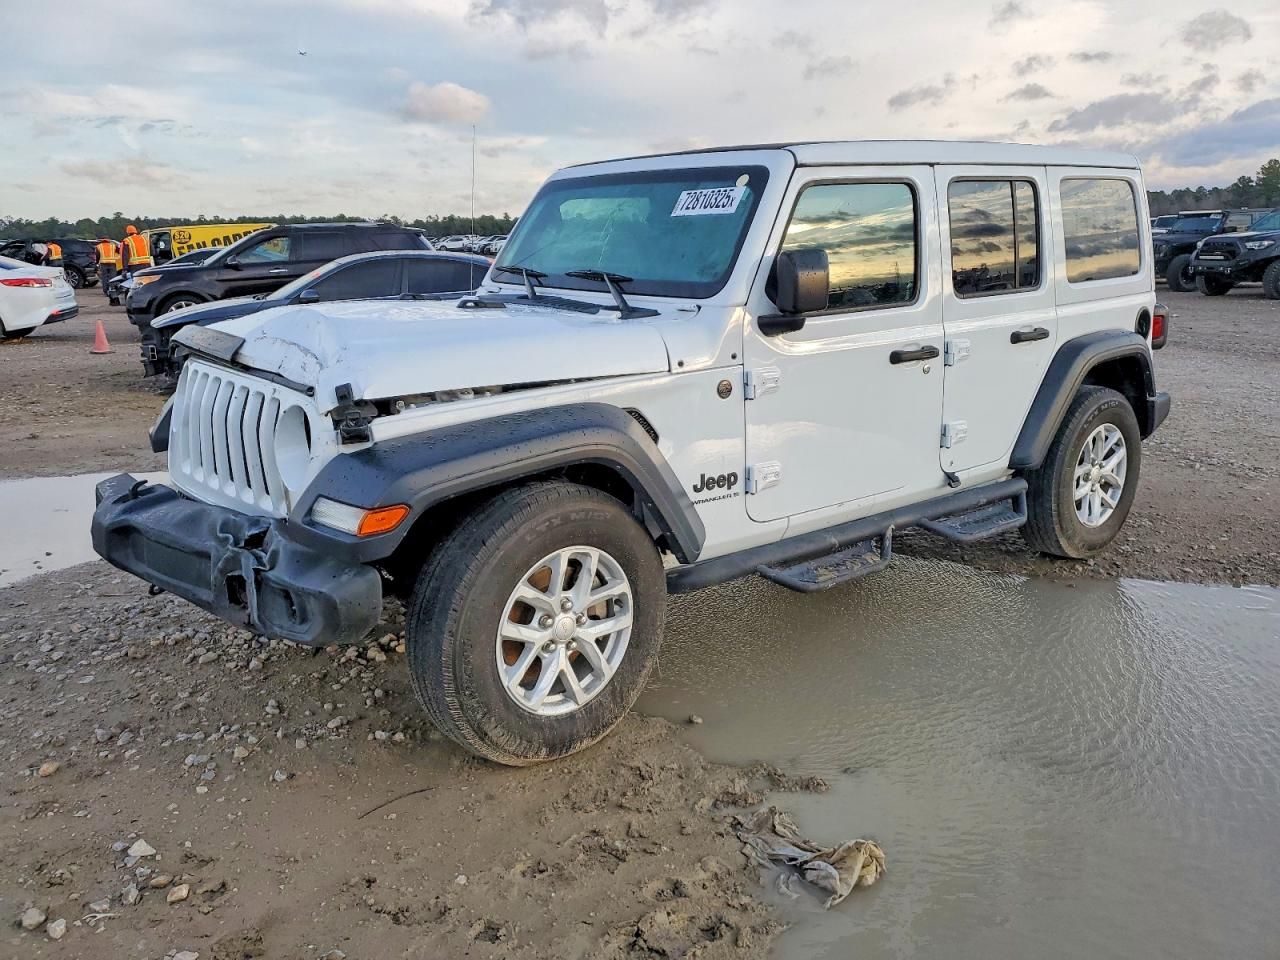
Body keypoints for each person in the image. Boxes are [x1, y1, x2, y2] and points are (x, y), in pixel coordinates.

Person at [97, 237, 123, 304]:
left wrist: (97, 263)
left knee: (104, 278)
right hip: (112, 263)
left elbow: (97, 256)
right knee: (113, 278)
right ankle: (113, 290)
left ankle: (106, 291)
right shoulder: (113, 245)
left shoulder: (99, 246)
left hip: (103, 264)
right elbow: (119, 251)